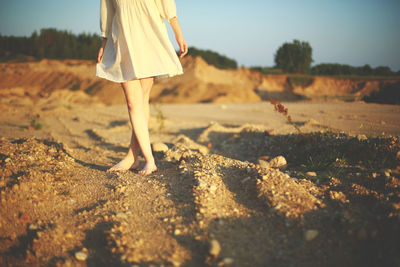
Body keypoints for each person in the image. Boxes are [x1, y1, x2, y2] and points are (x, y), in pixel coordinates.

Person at [96, 0, 188, 175]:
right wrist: (103, 43)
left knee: (141, 100)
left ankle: (133, 157)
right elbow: (107, 13)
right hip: (122, 40)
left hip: (149, 38)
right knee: (133, 102)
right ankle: (148, 159)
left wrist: (178, 35)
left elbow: (166, 4)